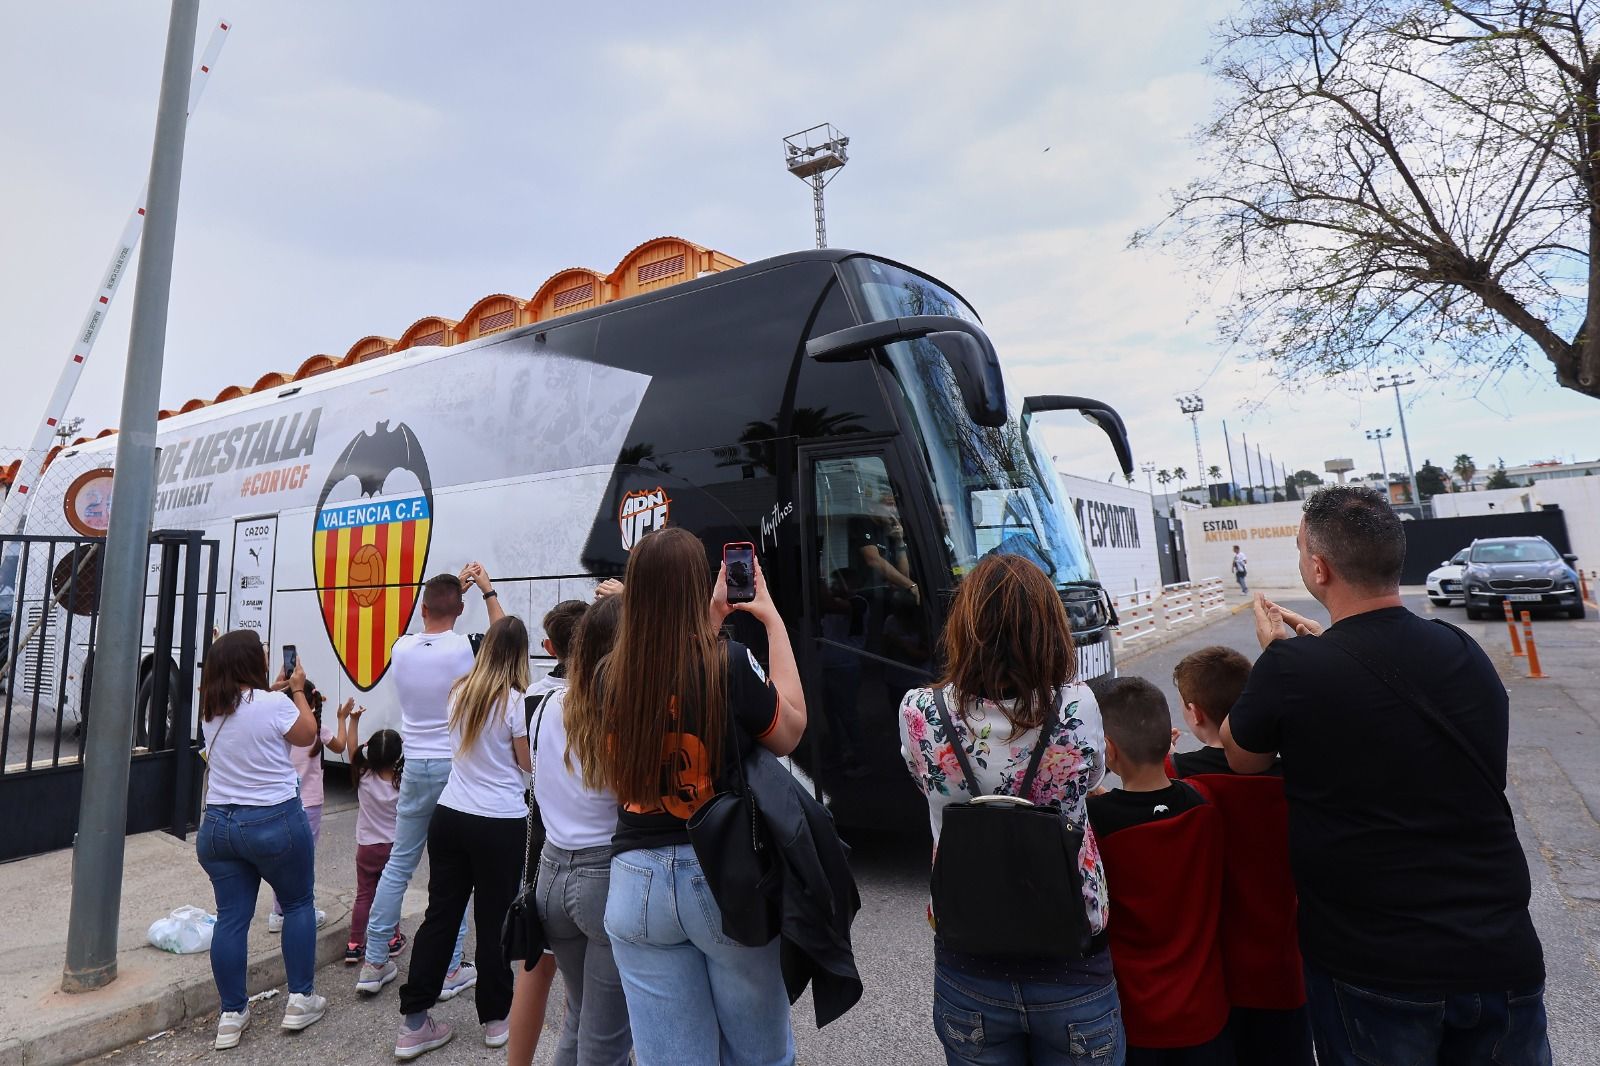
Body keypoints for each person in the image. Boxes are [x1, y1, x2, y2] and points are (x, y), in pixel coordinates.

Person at [1221, 486, 1550, 1065]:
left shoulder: (1292, 669)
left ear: (1318, 568)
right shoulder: (1461, 649)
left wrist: (1277, 656)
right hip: (1500, 955)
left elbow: (1240, 755)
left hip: (1373, 967)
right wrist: (1323, 653)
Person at [573, 527, 806, 1065]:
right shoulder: (726, 661)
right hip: (720, 876)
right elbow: (790, 730)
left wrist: (712, 620)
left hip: (634, 885)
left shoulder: (611, 675)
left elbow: (667, 667)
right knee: (759, 1057)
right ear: (700, 586)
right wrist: (768, 616)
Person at [898, 553, 1125, 1066]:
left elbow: (922, 779)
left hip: (968, 951)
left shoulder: (919, 711)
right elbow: (1091, 779)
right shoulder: (1076, 704)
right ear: (1049, 628)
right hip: (1071, 955)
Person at [358, 563, 503, 997]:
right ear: (460, 610)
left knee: (399, 864)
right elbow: (504, 635)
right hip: (451, 769)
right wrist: (485, 590)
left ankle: (374, 962)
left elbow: (428, 618)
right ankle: (450, 968)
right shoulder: (463, 648)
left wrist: (449, 593)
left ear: (422, 608)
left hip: (413, 765)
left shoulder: (400, 649)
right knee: (451, 871)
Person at [395, 615, 534, 1059]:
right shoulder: (516, 702)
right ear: (519, 654)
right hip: (500, 821)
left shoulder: (459, 692)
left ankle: (414, 1021)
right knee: (494, 920)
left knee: (441, 915)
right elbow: (526, 764)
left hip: (451, 814)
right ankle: (495, 1020)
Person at [1169, 646, 1311, 1066]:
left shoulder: (1178, 776)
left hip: (1212, 974)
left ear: (1194, 713)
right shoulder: (1294, 778)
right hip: (1283, 968)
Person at [195, 630, 327, 1050]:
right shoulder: (274, 705)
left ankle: (231, 1015)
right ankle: (300, 999)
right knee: (298, 903)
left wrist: (276, 692)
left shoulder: (211, 709)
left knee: (231, 918)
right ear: (251, 664)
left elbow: (247, 711)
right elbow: (307, 733)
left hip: (217, 827)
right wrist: (299, 690)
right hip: (273, 823)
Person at [1088, 677, 1229, 1064]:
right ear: (1169, 740)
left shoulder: (1096, 822)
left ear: (1109, 751)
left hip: (1137, 1017)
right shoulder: (1204, 804)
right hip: (1206, 1012)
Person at [536, 593, 633, 1064]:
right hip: (602, 878)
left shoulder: (548, 705)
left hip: (551, 874)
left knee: (579, 1016)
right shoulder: (618, 712)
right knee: (606, 1040)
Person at [505, 599, 587, 1066]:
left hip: (543, 844)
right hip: (595, 846)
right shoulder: (604, 692)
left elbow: (528, 766)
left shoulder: (533, 697)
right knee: (592, 985)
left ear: (550, 646)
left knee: (535, 969)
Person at [266, 680, 340, 933]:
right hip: (310, 804)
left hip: (283, 802)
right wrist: (345, 719)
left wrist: (274, 689)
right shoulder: (319, 730)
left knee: (282, 858)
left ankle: (278, 912)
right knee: (304, 861)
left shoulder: (280, 729)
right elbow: (341, 747)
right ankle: (303, 909)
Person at [340, 706, 404, 966]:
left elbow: (351, 749)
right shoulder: (402, 783)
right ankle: (392, 939)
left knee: (364, 894)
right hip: (393, 848)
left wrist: (353, 720)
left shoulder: (363, 775)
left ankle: (355, 944)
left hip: (366, 847)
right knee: (390, 892)